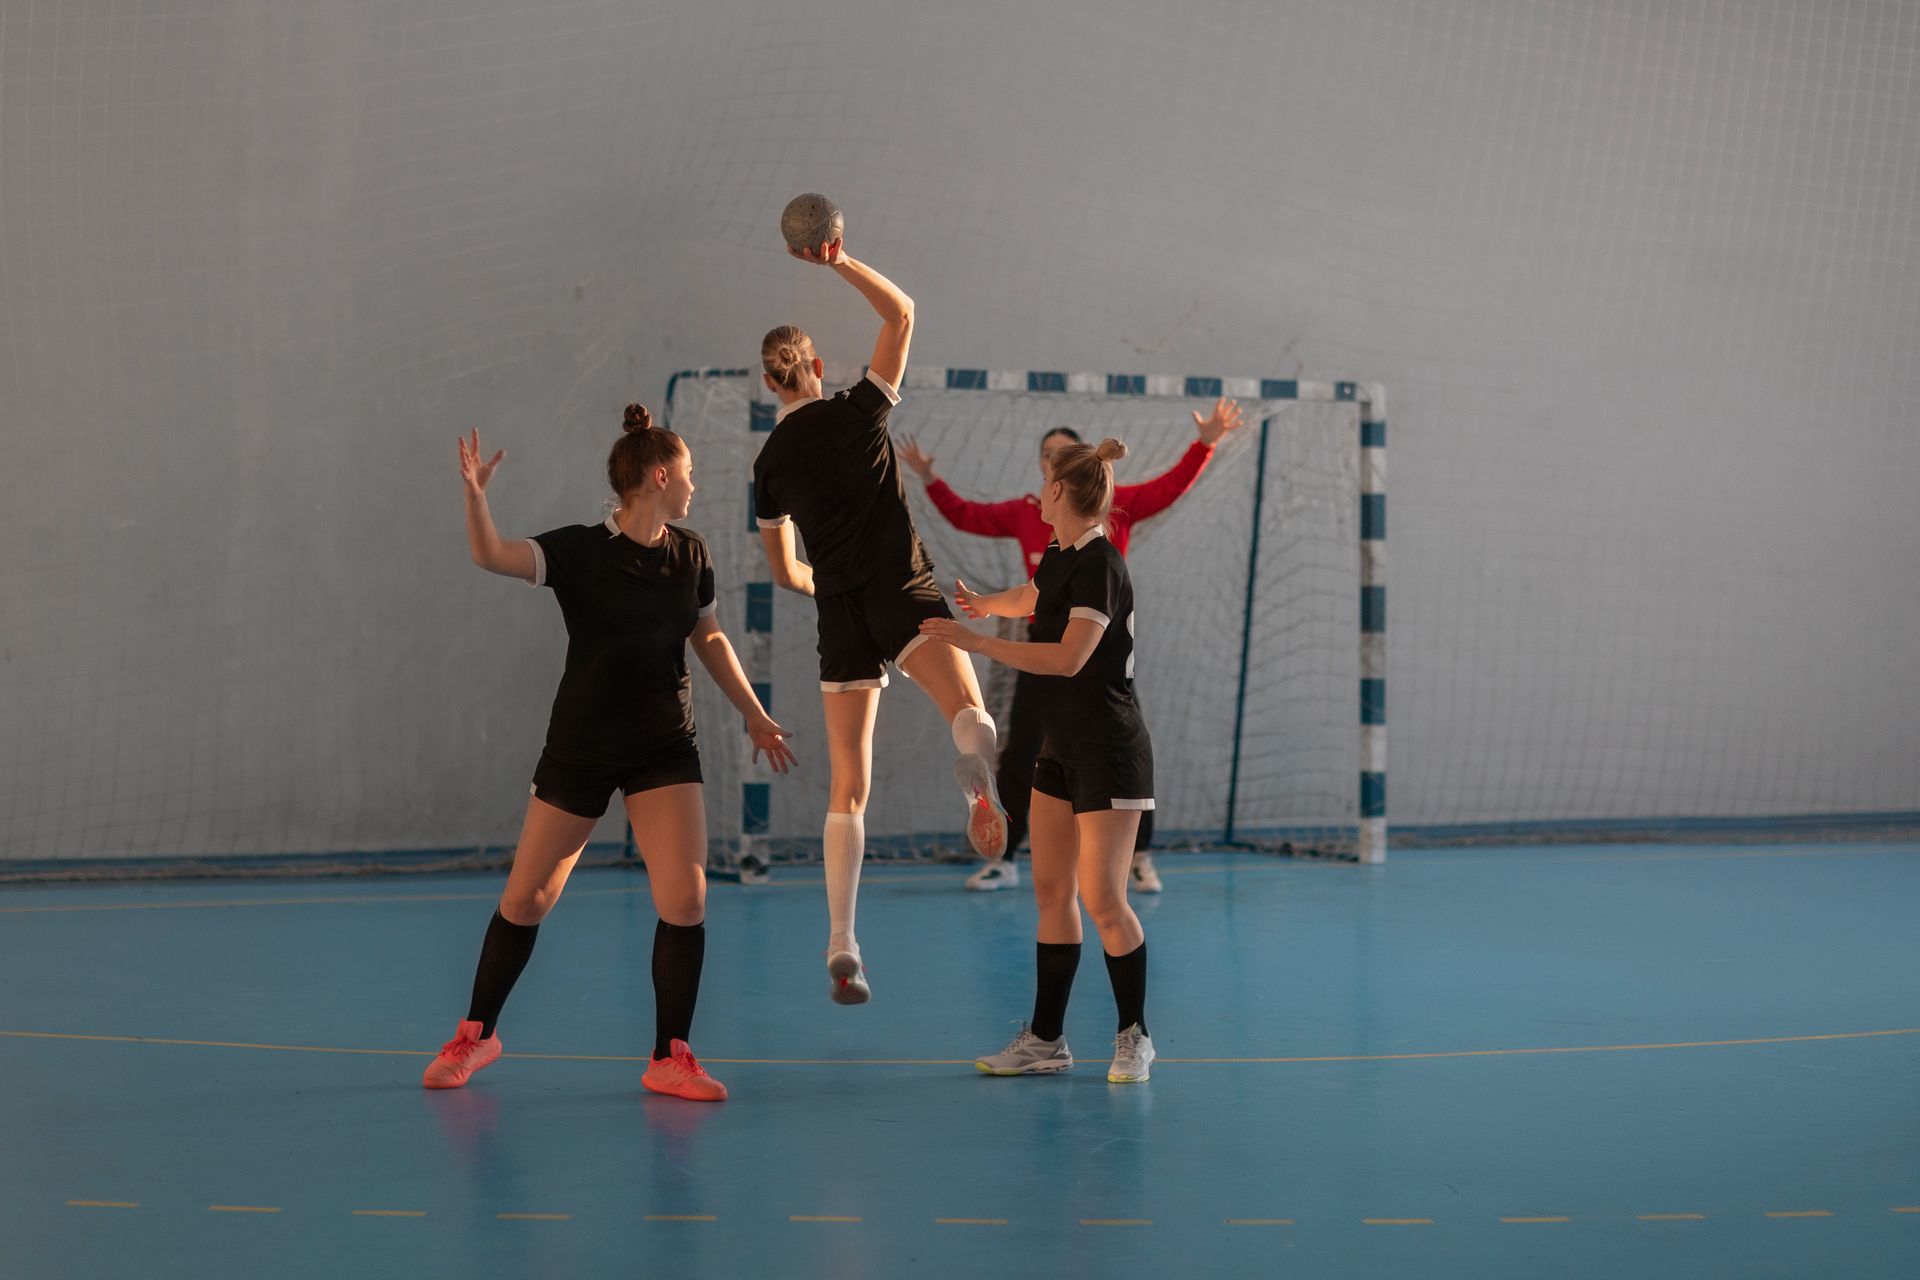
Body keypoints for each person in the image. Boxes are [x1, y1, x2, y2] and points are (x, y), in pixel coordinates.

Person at [422, 407, 796, 1102]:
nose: (694, 484)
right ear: (659, 475)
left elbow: (708, 639)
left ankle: (669, 1056)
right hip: (582, 749)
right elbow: (491, 555)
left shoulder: (691, 553)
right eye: (688, 473)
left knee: (685, 899)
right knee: (527, 900)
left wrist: (755, 715)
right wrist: (475, 497)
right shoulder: (579, 551)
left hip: (663, 748)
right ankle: (475, 1034)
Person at [754, 232, 1008, 1006]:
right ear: (817, 368)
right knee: (968, 711)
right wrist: (837, 263)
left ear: (770, 382)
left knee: (848, 787)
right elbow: (902, 314)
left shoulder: (768, 468)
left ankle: (844, 943)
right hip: (904, 590)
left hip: (840, 612)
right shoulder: (860, 412)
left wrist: (824, 585)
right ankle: (976, 789)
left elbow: (783, 571)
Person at [897, 398, 1244, 892]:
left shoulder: (1102, 542)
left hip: (1095, 661)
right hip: (1044, 651)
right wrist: (986, 604)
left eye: (1060, 459)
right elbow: (1021, 582)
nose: (1048, 470)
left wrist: (1204, 444)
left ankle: (1138, 854)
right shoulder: (1044, 535)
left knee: (1120, 757)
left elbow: (1168, 489)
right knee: (1024, 754)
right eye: (1046, 457)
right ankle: (1008, 856)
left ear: (1071, 479)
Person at [920, 437, 1158, 1083]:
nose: (1036, 491)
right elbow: (1034, 596)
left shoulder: (1102, 563)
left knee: (1103, 897)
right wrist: (988, 605)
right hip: (1060, 747)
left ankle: (1134, 1035)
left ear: (1058, 491)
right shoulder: (1062, 555)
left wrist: (975, 641)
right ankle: (1045, 1042)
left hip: (1109, 750)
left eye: (1042, 482)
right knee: (1053, 892)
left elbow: (1068, 657)